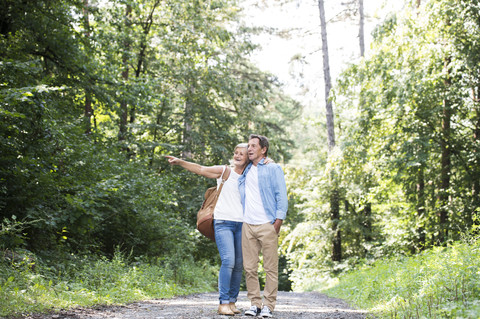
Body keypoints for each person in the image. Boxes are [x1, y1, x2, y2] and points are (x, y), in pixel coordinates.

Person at [165, 144, 248, 316]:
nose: (238, 156)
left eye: (242, 154)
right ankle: (223, 303)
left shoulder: (250, 176)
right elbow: (201, 169)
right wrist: (180, 162)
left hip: (243, 224)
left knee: (239, 264)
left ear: (249, 157)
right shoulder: (225, 171)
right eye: (236, 153)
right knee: (228, 261)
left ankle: (232, 302)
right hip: (223, 221)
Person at [239, 134, 288, 318]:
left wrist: (278, 221)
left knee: (270, 268)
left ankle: (268, 305)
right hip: (248, 225)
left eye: (253, 146)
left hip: (267, 224)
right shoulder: (244, 169)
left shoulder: (273, 168)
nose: (249, 149)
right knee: (250, 268)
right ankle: (255, 304)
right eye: (248, 146)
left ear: (263, 149)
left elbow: (281, 195)